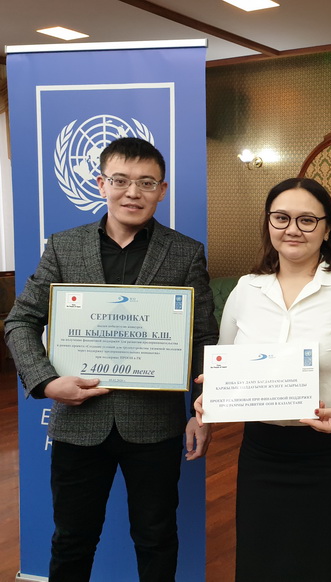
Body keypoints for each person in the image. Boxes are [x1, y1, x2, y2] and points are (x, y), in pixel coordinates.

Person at [4, 137, 219, 582]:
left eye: (147, 183)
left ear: (162, 190)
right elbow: (20, 320)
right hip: (79, 423)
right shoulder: (64, 247)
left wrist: (204, 411)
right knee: (72, 540)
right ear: (102, 184)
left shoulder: (185, 252)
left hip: (156, 425)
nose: (132, 192)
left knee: (157, 538)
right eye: (120, 180)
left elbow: (202, 338)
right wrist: (46, 381)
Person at [195, 177, 331, 581]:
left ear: (327, 228)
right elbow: (228, 358)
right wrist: (214, 396)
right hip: (265, 453)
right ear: (268, 223)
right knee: (264, 562)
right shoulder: (246, 290)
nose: (293, 229)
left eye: (307, 220)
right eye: (282, 218)